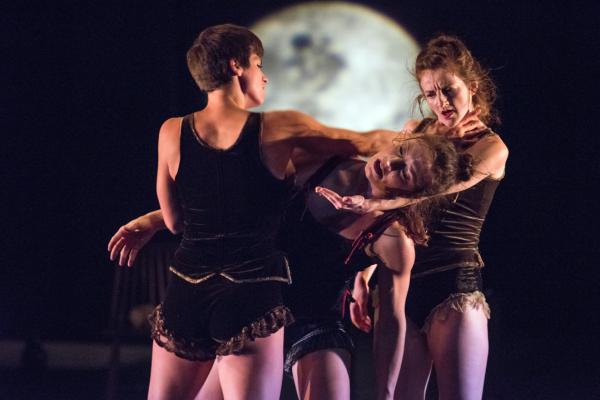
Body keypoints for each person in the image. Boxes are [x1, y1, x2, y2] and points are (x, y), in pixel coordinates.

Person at [115, 22, 409, 400]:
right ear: (237, 66)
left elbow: (174, 221)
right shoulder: (278, 127)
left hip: (187, 289)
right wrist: (431, 141)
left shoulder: (171, 131)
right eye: (258, 64)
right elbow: (364, 142)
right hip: (251, 294)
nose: (265, 77)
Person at [110, 132, 475, 400]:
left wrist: (386, 393)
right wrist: (152, 221)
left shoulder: (393, 239)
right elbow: (233, 205)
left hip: (313, 320)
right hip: (252, 309)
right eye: (401, 151)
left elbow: (391, 323)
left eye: (405, 173)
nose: (391, 162)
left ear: (411, 195)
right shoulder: (321, 164)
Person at [321, 34, 509, 400]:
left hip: (454, 284)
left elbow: (443, 187)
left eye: (448, 90)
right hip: (404, 285)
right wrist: (364, 272)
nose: (441, 102)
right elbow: (397, 217)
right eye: (431, 94)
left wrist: (373, 204)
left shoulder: (491, 147)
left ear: (471, 87)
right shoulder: (416, 135)